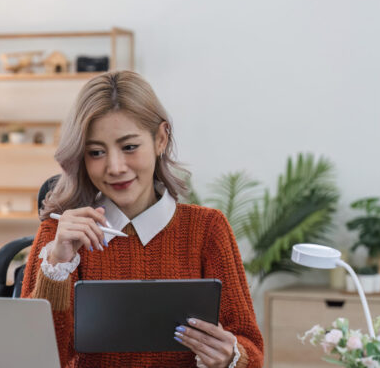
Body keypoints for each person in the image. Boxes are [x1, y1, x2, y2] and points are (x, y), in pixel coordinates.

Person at [21, 71, 263, 368]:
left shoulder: (208, 229)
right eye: (96, 152)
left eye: (129, 147)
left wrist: (230, 357)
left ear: (161, 139)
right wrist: (57, 264)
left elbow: (253, 351)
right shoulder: (57, 235)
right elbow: (32, 356)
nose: (115, 167)